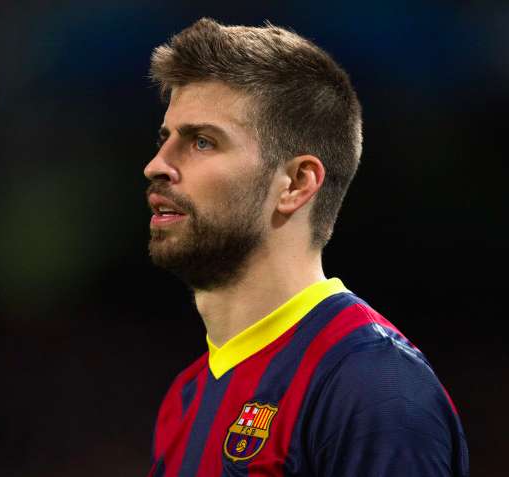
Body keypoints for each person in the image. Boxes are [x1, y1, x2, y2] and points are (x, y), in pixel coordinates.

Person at [143, 18, 469, 477]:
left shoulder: (373, 387)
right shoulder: (187, 395)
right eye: (165, 140)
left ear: (296, 183)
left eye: (201, 141)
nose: (157, 165)